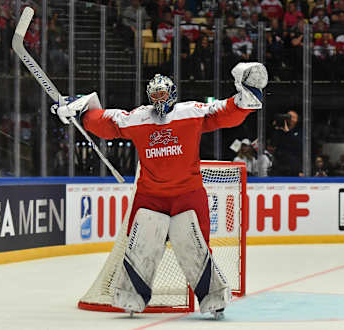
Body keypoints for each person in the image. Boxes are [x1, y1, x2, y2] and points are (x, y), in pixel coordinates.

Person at [51, 62, 268, 319]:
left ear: (173, 94)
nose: (159, 99)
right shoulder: (139, 117)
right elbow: (109, 122)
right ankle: (131, 297)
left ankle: (214, 299)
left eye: (163, 94)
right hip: (150, 198)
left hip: (188, 196)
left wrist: (246, 98)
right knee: (140, 247)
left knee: (195, 247)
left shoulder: (191, 112)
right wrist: (83, 110)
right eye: (155, 95)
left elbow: (223, 112)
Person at [270, 110, 303, 176]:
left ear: (297, 120)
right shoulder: (279, 131)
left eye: (292, 117)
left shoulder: (300, 131)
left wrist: (288, 132)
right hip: (279, 165)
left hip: (293, 166)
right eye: (288, 116)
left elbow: (298, 145)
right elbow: (273, 144)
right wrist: (276, 128)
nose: (289, 118)